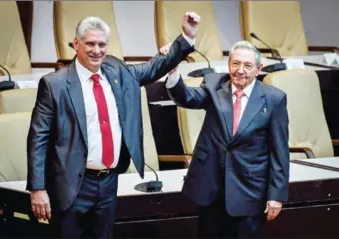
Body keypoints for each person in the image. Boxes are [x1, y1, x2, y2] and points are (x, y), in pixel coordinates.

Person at [27, 12, 200, 238]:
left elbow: (154, 67)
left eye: (102, 44)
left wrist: (185, 37)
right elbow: (38, 138)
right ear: (76, 44)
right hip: (71, 184)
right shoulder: (55, 84)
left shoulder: (117, 70)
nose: (96, 50)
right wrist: (37, 189)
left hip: (108, 182)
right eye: (90, 43)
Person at [162, 40, 290, 238]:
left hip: (250, 191)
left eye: (247, 66)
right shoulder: (214, 85)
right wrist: (172, 70)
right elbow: (186, 97)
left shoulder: (274, 99)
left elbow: (279, 151)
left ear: (259, 69)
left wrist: (276, 195)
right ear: (228, 64)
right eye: (235, 64)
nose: (240, 71)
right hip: (212, 190)